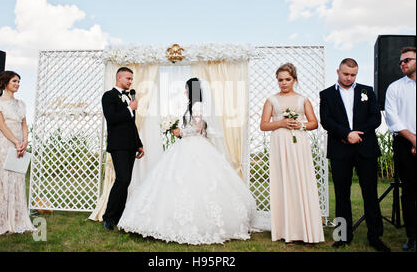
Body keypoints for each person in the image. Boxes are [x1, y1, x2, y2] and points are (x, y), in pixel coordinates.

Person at [117, 78, 261, 245]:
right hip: (189, 145)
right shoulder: (194, 105)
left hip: (193, 144)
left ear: (192, 90)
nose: (184, 92)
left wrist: (180, 132)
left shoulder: (197, 105)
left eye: (186, 89)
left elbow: (198, 128)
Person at [320, 58, 390, 252]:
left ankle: (375, 236)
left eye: (353, 75)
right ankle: (342, 236)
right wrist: (345, 134)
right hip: (340, 149)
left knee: (370, 193)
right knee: (341, 194)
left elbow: (375, 118)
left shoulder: (367, 91)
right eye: (346, 74)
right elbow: (326, 120)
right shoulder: (326, 94)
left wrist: (356, 134)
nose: (349, 78)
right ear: (338, 71)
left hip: (365, 148)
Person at [260, 63, 324, 245]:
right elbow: (263, 125)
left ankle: (306, 230)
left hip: (299, 146)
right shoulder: (271, 100)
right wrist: (280, 123)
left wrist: (300, 124)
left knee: (301, 182)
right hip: (280, 146)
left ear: (294, 80)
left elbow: (314, 123)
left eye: (287, 79)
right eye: (280, 80)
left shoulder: (302, 100)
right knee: (285, 183)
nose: (284, 83)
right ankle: (287, 231)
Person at [0, 71, 36, 235]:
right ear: (6, 82)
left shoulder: (21, 104)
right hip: (5, 145)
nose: (17, 84)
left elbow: (24, 125)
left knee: (18, 180)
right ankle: (4, 222)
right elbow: (2, 126)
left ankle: (18, 219)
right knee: (5, 181)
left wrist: (25, 142)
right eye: (14, 81)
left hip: (20, 146)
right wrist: (16, 142)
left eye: (19, 82)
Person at [101, 67, 144, 231]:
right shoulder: (108, 96)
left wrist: (138, 143)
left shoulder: (129, 97)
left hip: (130, 145)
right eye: (128, 78)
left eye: (131, 79)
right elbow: (111, 118)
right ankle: (108, 217)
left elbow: (131, 125)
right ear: (119, 78)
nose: (130, 81)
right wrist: (129, 109)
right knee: (122, 179)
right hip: (118, 145)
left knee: (126, 182)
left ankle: (118, 217)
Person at [385, 46, 416, 251]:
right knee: (409, 192)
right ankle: (411, 236)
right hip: (405, 145)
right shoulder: (394, 88)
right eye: (401, 61)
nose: (402, 64)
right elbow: (391, 118)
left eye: (407, 60)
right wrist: (413, 140)